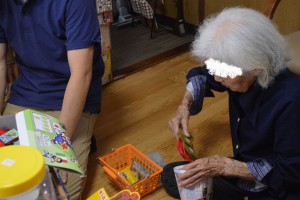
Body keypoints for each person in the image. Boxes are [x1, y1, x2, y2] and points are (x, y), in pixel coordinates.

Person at [168, 7, 300, 200]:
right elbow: (203, 76)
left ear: (256, 67)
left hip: (280, 186)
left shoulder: (291, 100)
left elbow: (291, 172)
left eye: (225, 71)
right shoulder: (236, 72)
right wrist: (184, 106)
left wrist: (225, 166)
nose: (218, 76)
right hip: (247, 167)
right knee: (176, 175)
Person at [0, 0, 104, 199]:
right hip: (26, 93)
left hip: (70, 96)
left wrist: (58, 151)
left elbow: (81, 75)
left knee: (55, 193)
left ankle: (81, 137)